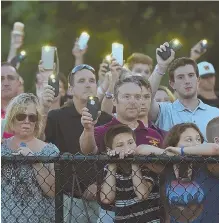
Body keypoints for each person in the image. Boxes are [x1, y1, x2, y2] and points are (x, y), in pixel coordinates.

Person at [80, 76, 165, 222]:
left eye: (137, 97)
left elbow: (163, 169)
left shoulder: (154, 134)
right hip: (111, 211)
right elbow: (87, 150)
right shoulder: (102, 131)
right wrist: (88, 129)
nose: (133, 101)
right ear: (114, 100)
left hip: (150, 210)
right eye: (126, 96)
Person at [44, 64, 112, 223]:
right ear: (71, 89)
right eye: (81, 81)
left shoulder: (107, 119)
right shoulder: (57, 116)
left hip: (104, 198)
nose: (88, 84)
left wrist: (101, 185)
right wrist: (43, 107)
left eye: (92, 80)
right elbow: (40, 141)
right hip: (68, 198)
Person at [1, 93, 59, 223]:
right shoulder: (2, 148)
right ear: (11, 118)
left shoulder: (50, 150)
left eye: (32, 117)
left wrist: (35, 161)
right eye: (21, 116)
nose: (26, 121)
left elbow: (53, 191)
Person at [148, 45, 219, 139]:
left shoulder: (216, 113)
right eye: (180, 77)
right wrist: (161, 66)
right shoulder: (164, 111)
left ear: (198, 80)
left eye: (191, 75)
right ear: (172, 84)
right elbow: (145, 97)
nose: (187, 81)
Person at [100, 124, 161, 223]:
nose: (127, 148)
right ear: (109, 150)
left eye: (130, 142)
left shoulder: (146, 165)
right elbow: (107, 198)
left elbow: (142, 194)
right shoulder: (109, 169)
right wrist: (112, 166)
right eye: (120, 145)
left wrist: (134, 163)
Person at [162, 123, 219, 223]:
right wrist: (167, 153)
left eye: (198, 139)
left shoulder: (209, 165)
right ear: (174, 144)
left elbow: (215, 148)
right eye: (189, 139)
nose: (196, 143)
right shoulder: (168, 167)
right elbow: (141, 149)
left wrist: (182, 151)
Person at [1, 62, 22, 139]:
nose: (6, 83)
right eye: (1, 79)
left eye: (10, 78)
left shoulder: (30, 113)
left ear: (19, 83)